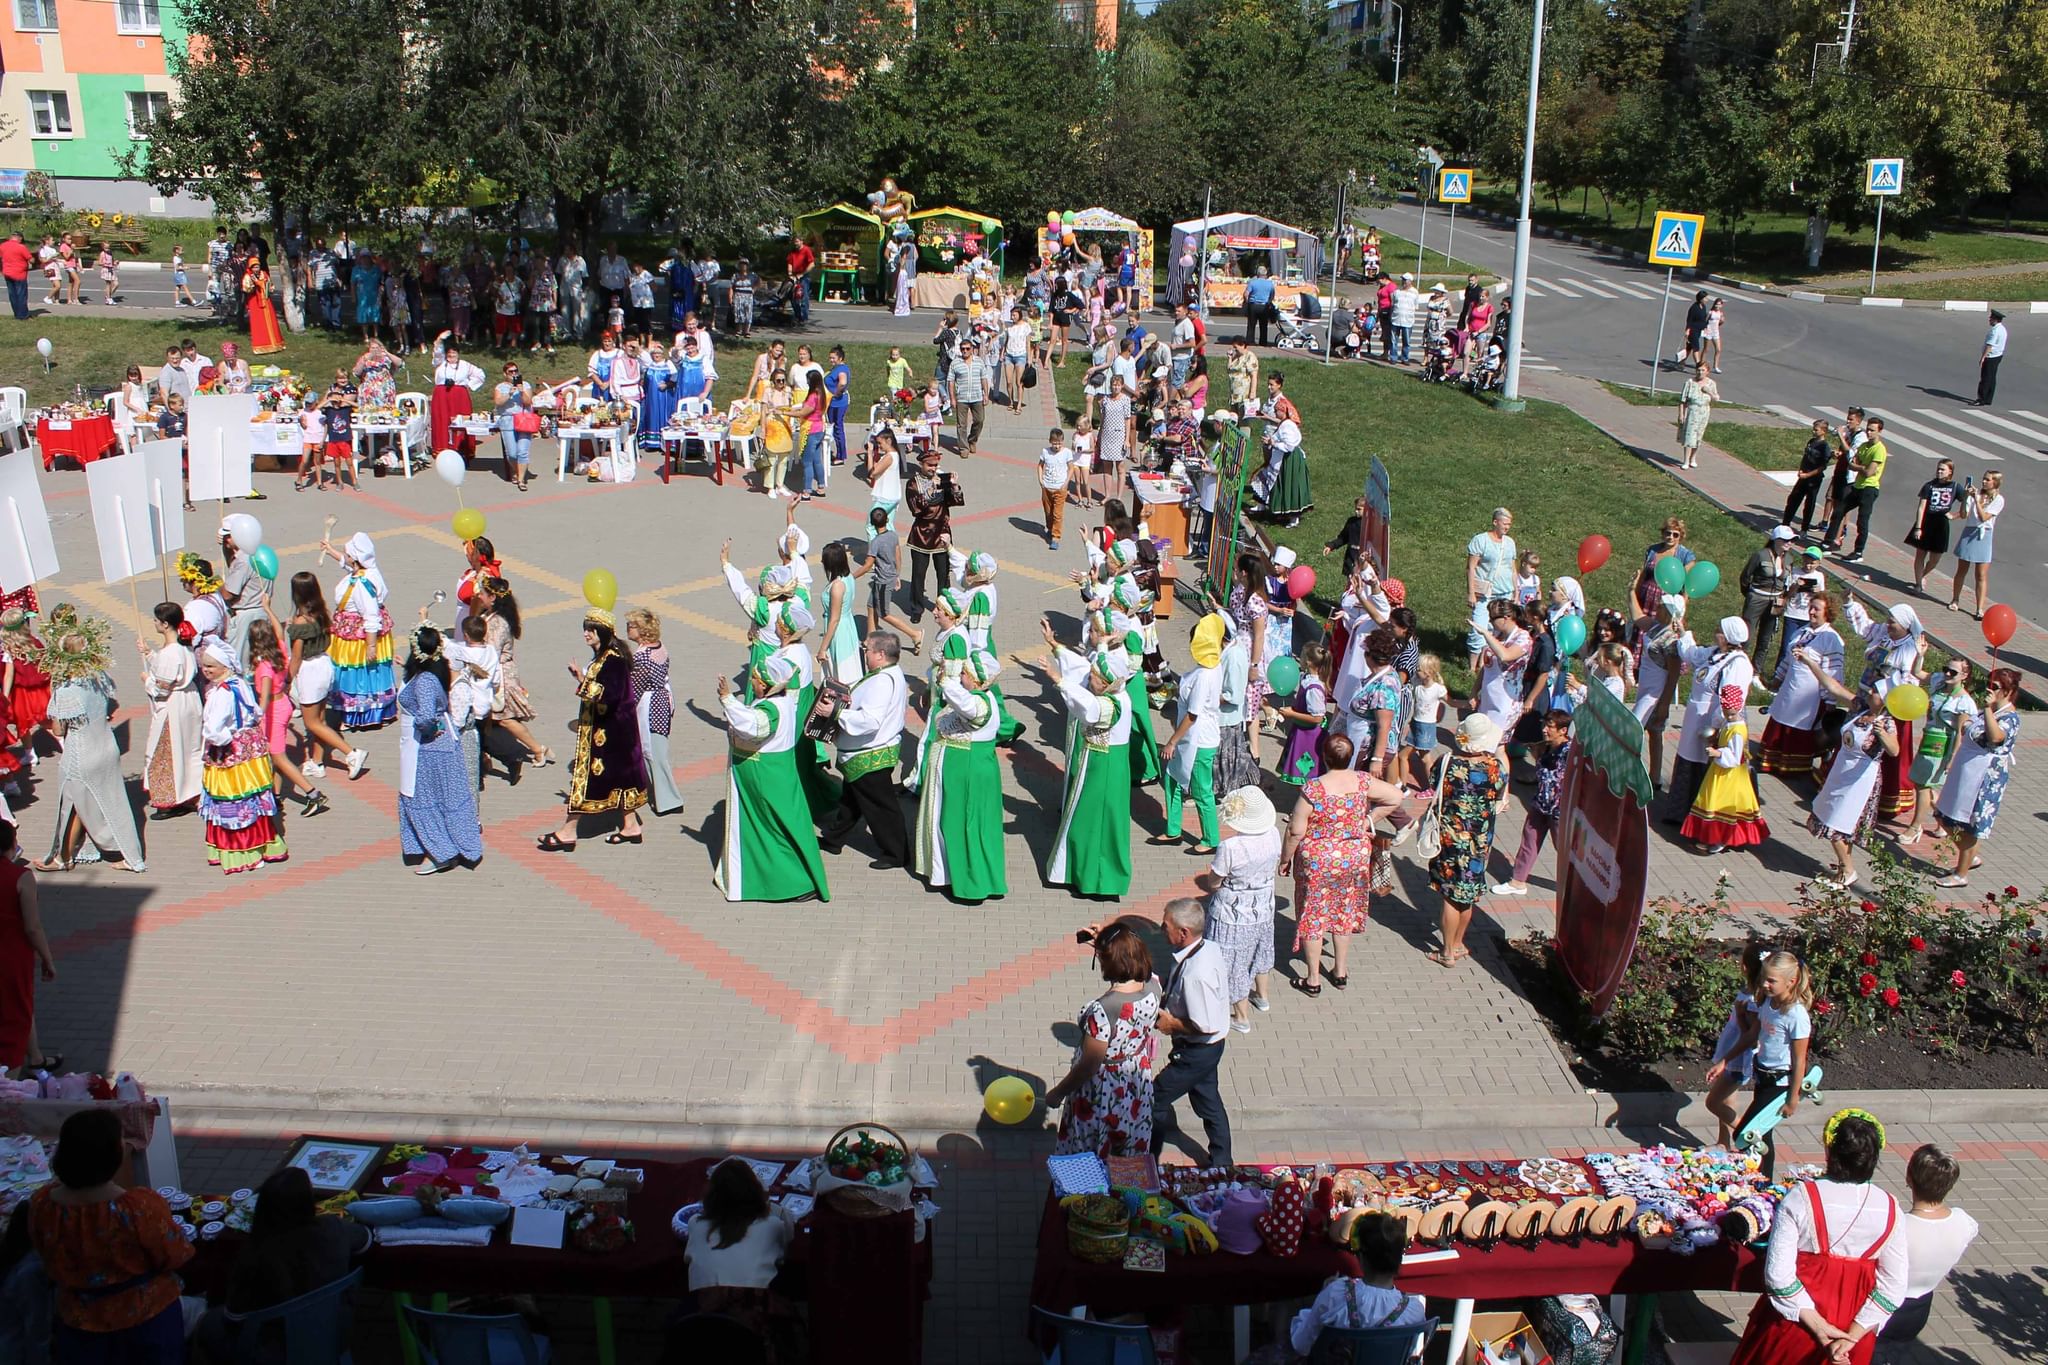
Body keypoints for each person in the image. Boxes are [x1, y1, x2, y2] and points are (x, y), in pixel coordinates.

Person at [1725, 1109, 1903, 1364]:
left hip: (1797, 1323)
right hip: (1853, 1328)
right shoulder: (1891, 1206)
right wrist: (1852, 1337)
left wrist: (1819, 1327)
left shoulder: (1802, 1197)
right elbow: (1894, 1284)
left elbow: (1778, 1275)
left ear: (1830, 1152)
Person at [26, 1108, 193, 1363]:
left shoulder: (42, 1204)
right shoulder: (139, 1208)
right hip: (145, 1321)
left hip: (78, 1323)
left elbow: (43, 1254)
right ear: (112, 1156)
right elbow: (175, 1254)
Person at [1284, 731, 1402, 994]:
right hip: (1353, 858)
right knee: (1343, 911)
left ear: (1323, 757)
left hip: (1318, 860)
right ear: (1350, 758)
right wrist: (1369, 820)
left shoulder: (1313, 788)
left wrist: (1285, 859)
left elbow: (1295, 830)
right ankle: (1340, 971)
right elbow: (1396, 797)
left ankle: (1313, 978)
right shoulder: (1362, 781)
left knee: (1313, 916)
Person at [34, 614, 145, 874]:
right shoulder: (99, 678)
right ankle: (128, 855)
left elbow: (60, 729)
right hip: (106, 747)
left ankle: (63, 857)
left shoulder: (65, 691)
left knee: (70, 805)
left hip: (80, 755)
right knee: (114, 804)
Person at [713, 654, 829, 902]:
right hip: (778, 773)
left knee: (770, 829)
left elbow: (753, 727)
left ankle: (791, 884)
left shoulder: (770, 710)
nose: (752, 683)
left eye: (755, 679)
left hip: (765, 776)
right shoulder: (786, 700)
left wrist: (727, 699)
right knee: (782, 826)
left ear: (766, 684)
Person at [539, 608, 649, 851]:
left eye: (591, 629)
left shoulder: (614, 660)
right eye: (585, 629)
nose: (586, 634)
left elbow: (610, 695)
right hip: (612, 733)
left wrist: (582, 682)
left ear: (603, 631)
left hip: (611, 736)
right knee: (621, 780)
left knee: (586, 781)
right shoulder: (604, 657)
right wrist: (582, 677)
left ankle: (568, 831)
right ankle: (631, 826)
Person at [1040, 631, 1133, 898]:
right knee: (1086, 820)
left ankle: (1099, 880)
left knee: (1096, 823)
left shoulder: (1112, 704)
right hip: (1098, 763)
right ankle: (1082, 873)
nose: (1088, 678)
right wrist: (1059, 645)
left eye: (1094, 677)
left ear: (1106, 683)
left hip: (1105, 769)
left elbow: (1089, 709)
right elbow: (1096, 662)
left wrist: (1058, 680)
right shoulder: (1113, 689)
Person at [682, 1159, 800, 1351]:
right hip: (755, 1335)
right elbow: (785, 1244)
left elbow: (688, 1259)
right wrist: (769, 1204)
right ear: (756, 1194)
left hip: (703, 1334)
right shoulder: (772, 1226)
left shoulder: (696, 1224)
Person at [1149, 896, 1233, 1167]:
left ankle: (1148, 1159)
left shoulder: (1196, 975)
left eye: (1165, 926)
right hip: (1207, 1048)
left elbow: (1203, 1024)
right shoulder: (1206, 948)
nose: (1162, 930)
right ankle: (1222, 1162)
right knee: (1209, 1103)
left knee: (1153, 1100)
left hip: (1197, 1050)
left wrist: (1171, 1024)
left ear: (1183, 932)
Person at [393, 625, 482, 875]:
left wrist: (426, 727)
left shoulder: (425, 681)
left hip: (428, 748)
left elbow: (425, 717)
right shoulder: (430, 674)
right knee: (442, 797)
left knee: (421, 798)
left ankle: (440, 852)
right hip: (432, 746)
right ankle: (447, 847)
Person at [817, 630, 908, 868]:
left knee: (881, 807)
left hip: (870, 754)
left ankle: (896, 853)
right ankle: (834, 839)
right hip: (867, 752)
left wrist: (834, 713)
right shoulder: (887, 673)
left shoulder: (882, 681)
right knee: (852, 800)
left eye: (866, 649)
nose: (864, 653)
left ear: (880, 654)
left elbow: (870, 720)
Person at [1288, 1212, 1429, 1360]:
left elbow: (1301, 1345)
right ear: (1400, 1260)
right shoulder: (1414, 1312)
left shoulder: (1336, 1294)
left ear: (1361, 1258)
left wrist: (1324, 1294)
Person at [1427, 714, 1508, 968]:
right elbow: (1499, 795)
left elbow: (1432, 785)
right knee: (1467, 894)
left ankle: (1447, 952)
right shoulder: (1495, 767)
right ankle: (1459, 943)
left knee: (1451, 896)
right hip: (1480, 840)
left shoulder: (1447, 762)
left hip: (1450, 838)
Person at [1661, 617, 1756, 827]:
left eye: (1719, 630)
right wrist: (1683, 633)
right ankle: (1682, 812)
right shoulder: (1715, 653)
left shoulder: (1738, 663)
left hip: (1713, 725)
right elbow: (1692, 654)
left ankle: (1705, 820)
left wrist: (1714, 726)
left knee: (1707, 766)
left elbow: (1731, 699)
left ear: (1729, 637)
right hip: (1695, 720)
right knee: (1689, 760)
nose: (1715, 632)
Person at [1882, 1145, 1980, 1347]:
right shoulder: (1965, 1222)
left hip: (1883, 1306)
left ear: (1909, 1178)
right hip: (1920, 1307)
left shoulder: (1896, 1227)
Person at [1931, 666, 2018, 889]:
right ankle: (1969, 856)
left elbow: (1996, 737)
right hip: (1965, 770)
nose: (1989, 690)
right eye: (1988, 685)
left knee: (1966, 825)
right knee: (1943, 815)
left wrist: (1988, 710)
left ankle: (1961, 874)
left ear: (2008, 691)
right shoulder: (1985, 711)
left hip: (1982, 778)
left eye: (1995, 687)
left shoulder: (2010, 717)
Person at [1806, 687, 1898, 891]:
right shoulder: (1861, 710)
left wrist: (1882, 733)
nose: (1870, 690)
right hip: (1841, 774)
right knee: (1826, 816)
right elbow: (1833, 686)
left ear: (1883, 699)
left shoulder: (1887, 722)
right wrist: (1810, 662)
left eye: (1875, 690)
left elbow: (1894, 750)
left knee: (1837, 825)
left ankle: (1848, 871)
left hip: (1860, 781)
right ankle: (1842, 870)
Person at [283, 571, 364, 786]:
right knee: (319, 719)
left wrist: (287, 680)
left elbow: (297, 656)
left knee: (311, 722)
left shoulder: (300, 623)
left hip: (310, 669)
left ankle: (351, 753)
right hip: (325, 664)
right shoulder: (321, 613)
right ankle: (317, 762)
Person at [1156, 613, 1225, 852]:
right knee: (1172, 778)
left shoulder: (1205, 675)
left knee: (1200, 788)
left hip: (1198, 740)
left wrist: (1171, 742)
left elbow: (1193, 714)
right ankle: (1173, 829)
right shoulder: (1211, 666)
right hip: (1192, 737)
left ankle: (1210, 839)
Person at [1758, 594, 1844, 779]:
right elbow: (1788, 660)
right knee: (1781, 719)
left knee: (1799, 727)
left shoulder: (1831, 639)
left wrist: (1830, 701)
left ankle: (1794, 767)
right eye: (1811, 607)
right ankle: (1773, 761)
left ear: (1827, 613)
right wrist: (1776, 680)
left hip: (1810, 696)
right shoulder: (1801, 632)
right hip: (1790, 689)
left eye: (1816, 609)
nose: (1811, 612)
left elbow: (1834, 672)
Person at [1493, 708, 1573, 892]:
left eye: (1550, 726)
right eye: (1544, 725)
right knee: (1529, 842)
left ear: (1563, 730)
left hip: (1559, 811)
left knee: (1563, 849)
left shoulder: (1570, 752)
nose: (1545, 729)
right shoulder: (1545, 746)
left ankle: (1574, 885)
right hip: (1540, 804)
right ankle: (1518, 881)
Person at [1682, 687, 1769, 854]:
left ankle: (1721, 838)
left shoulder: (1737, 730)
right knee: (1713, 801)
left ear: (1738, 709)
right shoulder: (1730, 724)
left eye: (1731, 714)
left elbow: (1735, 758)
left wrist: (1718, 753)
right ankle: (1713, 837)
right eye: (1726, 713)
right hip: (1721, 772)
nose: (1728, 716)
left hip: (1730, 775)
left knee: (1722, 805)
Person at [324, 531, 396, 730]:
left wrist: (370, 646)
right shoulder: (369, 571)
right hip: (354, 634)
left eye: (348, 554)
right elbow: (348, 565)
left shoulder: (362, 585)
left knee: (356, 673)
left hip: (357, 639)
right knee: (366, 673)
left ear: (355, 558)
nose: (346, 557)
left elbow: (371, 616)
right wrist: (331, 552)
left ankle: (357, 713)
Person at [136, 603, 203, 817]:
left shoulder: (171, 653)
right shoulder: (185, 647)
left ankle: (169, 800)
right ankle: (193, 793)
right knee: (191, 750)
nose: (154, 623)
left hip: (173, 707)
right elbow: (171, 670)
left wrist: (147, 680)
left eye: (156, 620)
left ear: (165, 625)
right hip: (190, 702)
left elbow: (161, 690)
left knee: (166, 751)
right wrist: (149, 654)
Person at [0, 824, 55, 1077]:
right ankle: (10, 1085)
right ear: (12, 845)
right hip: (11, 957)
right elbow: (33, 928)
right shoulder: (21, 877)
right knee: (16, 1015)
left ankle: (35, 1057)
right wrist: (47, 958)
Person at [1704, 949, 1769, 1149]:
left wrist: (1740, 1016)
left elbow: (1749, 1037)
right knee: (1728, 1100)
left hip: (1737, 1058)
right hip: (1732, 1053)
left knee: (1713, 1103)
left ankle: (1748, 1136)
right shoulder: (1749, 991)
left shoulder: (1753, 1001)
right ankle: (1723, 1142)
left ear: (1745, 967)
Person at [621, 609, 682, 818]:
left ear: (643, 630)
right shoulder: (660, 647)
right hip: (663, 702)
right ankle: (660, 795)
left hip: (650, 708)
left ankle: (669, 800)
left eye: (631, 625)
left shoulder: (641, 656)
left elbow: (634, 690)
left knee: (654, 753)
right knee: (656, 751)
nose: (628, 628)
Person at [1826, 417, 1889, 563]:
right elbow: (1851, 463)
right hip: (1857, 486)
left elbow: (1869, 473)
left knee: (1862, 521)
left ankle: (1858, 551)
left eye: (1872, 430)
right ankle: (1828, 541)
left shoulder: (1879, 450)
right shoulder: (1864, 446)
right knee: (1839, 511)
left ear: (1880, 431)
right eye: (1868, 429)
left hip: (1869, 488)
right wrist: (1860, 467)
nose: (1869, 432)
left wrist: (1859, 467)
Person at [1947, 471, 2003, 618]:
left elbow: (1984, 517)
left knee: (1981, 574)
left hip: (1984, 535)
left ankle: (1979, 608)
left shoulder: (1999, 499)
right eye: (1983, 479)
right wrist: (1966, 497)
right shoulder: (1976, 495)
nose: (1984, 482)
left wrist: (1976, 500)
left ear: (1995, 483)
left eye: (1988, 480)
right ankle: (1955, 599)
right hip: (1969, 533)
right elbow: (1964, 515)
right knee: (1961, 570)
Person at [1903, 458, 1962, 595]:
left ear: (1950, 472)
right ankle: (1918, 584)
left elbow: (1966, 506)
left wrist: (1954, 515)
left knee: (1935, 558)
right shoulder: (1929, 486)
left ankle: (1923, 575)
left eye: (1943, 469)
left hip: (1941, 523)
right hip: (1926, 521)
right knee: (1920, 555)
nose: (1939, 471)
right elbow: (1921, 507)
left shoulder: (1955, 487)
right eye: (1938, 469)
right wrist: (1918, 527)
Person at [1632, 516, 1695, 618]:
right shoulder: (1653, 550)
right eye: (1668, 533)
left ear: (1681, 537)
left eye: (1675, 535)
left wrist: (1681, 612)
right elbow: (1643, 575)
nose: (1671, 537)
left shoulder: (1686, 556)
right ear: (1663, 533)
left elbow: (1686, 588)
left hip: (1666, 605)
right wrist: (1635, 596)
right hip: (1645, 598)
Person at [1784, 419, 1833, 538]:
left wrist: (1808, 475)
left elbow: (1822, 467)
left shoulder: (1824, 447)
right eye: (1814, 429)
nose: (1813, 431)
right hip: (1803, 477)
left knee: (1809, 504)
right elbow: (1805, 457)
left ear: (1823, 431)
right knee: (1793, 500)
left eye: (1816, 430)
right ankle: (1785, 524)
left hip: (1813, 480)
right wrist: (1801, 470)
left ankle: (1804, 529)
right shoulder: (1811, 441)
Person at [1676, 361, 1717, 470]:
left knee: (1699, 437)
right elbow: (1682, 400)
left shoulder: (1711, 384)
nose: (1700, 372)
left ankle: (1693, 458)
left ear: (1707, 371)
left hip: (1704, 411)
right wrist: (1681, 414)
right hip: (1692, 411)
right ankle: (1685, 460)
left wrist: (1710, 393)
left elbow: (1716, 399)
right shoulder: (1690, 382)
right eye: (1698, 370)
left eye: (1703, 370)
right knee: (1689, 436)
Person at [1037, 426, 1071, 550]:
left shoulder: (1066, 453)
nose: (1057, 446)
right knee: (1048, 512)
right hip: (1047, 487)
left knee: (1057, 514)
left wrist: (1066, 483)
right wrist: (1040, 480)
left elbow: (1071, 468)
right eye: (1054, 443)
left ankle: (1056, 537)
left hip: (1060, 489)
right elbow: (1040, 466)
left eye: (1059, 443)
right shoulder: (1045, 452)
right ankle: (1050, 528)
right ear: (1050, 441)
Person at [1974, 309, 2006, 406]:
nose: (1989, 319)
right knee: (1992, 378)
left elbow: (1989, 345)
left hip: (1991, 357)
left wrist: (1983, 357)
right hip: (1998, 356)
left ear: (1995, 319)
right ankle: (1988, 398)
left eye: (1991, 318)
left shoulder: (1995, 331)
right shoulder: (2002, 329)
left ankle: (1981, 399)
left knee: (1985, 378)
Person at [0, 230, 32, 320]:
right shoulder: (21, 247)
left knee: (12, 295)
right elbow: (31, 259)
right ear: (20, 238)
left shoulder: (2, 246)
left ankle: (17, 313)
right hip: (19, 273)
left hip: (7, 272)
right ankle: (23, 315)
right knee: (21, 295)